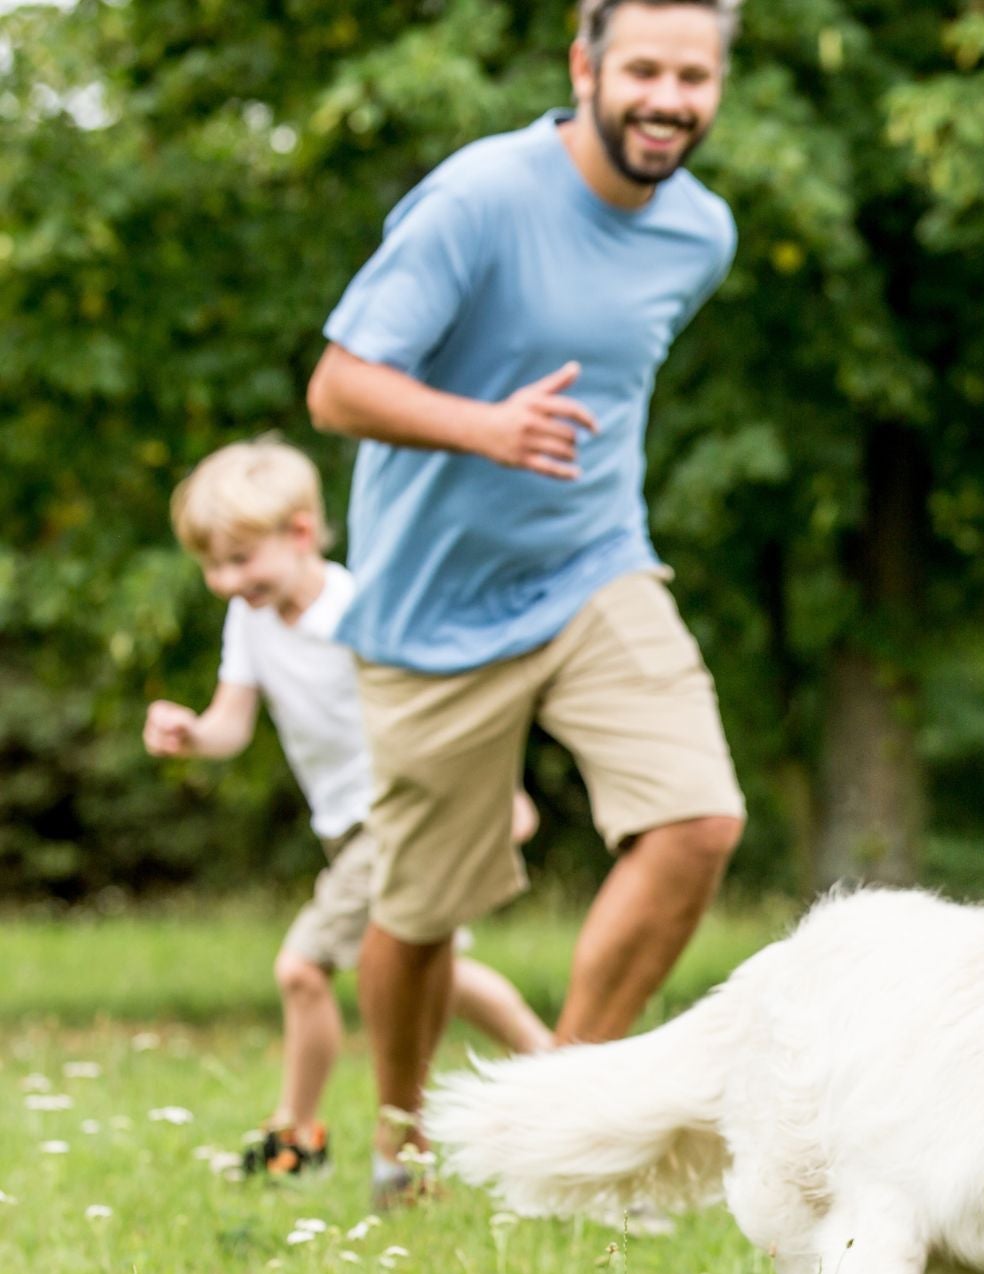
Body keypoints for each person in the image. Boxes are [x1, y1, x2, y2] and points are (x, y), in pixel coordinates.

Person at [305, 0, 747, 1208]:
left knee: (697, 821)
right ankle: (402, 1148)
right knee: (420, 910)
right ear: (583, 67)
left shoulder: (700, 233)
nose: (668, 99)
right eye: (644, 69)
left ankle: (554, 1114)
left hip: (595, 564)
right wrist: (484, 426)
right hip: (430, 604)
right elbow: (337, 386)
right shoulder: (479, 199)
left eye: (694, 77)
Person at [146, 438, 553, 1178]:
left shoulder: (359, 609)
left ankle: (298, 1137)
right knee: (434, 967)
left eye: (239, 560)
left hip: (398, 813)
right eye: (212, 565)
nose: (225, 581)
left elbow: (442, 709)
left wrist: (499, 795)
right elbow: (232, 724)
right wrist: (193, 734)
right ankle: (561, 1072)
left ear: (301, 532)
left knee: (302, 968)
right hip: (342, 827)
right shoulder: (250, 619)